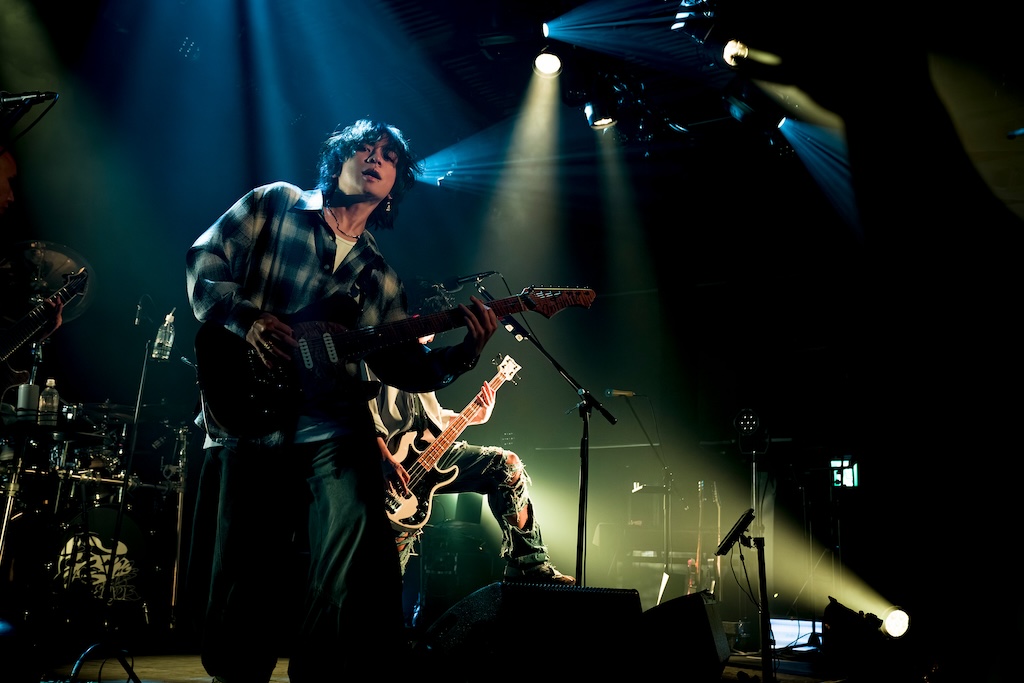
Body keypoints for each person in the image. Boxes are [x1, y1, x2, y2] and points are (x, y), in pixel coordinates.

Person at [184, 118, 498, 683]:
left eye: (389, 156)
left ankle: (322, 675)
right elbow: (204, 264)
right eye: (364, 148)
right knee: (246, 564)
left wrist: (465, 352)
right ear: (339, 160)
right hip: (247, 412)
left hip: (329, 424)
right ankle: (236, 675)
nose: (375, 158)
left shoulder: (380, 278)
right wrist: (250, 321)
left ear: (395, 183)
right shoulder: (275, 204)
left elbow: (405, 368)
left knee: (352, 547)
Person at [368, 327, 575, 592]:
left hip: (428, 452)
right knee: (391, 549)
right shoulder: (374, 355)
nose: (433, 337)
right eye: (429, 329)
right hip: (388, 460)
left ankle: (528, 565)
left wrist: (476, 417)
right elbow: (364, 415)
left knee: (506, 465)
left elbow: (433, 419)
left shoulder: (425, 360)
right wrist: (386, 460)